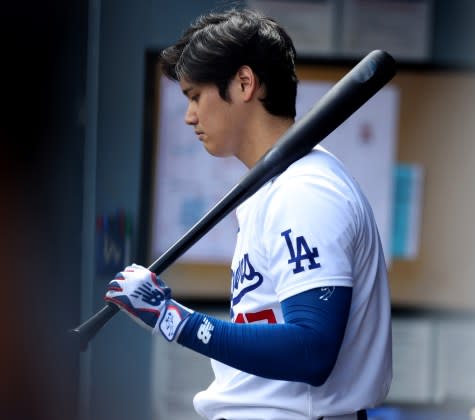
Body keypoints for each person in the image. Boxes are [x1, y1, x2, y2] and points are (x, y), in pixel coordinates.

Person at [104, 8, 392, 420]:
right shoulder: (273, 191)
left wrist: (172, 318)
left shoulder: (304, 191)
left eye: (194, 96)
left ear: (243, 83)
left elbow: (311, 351)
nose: (189, 116)